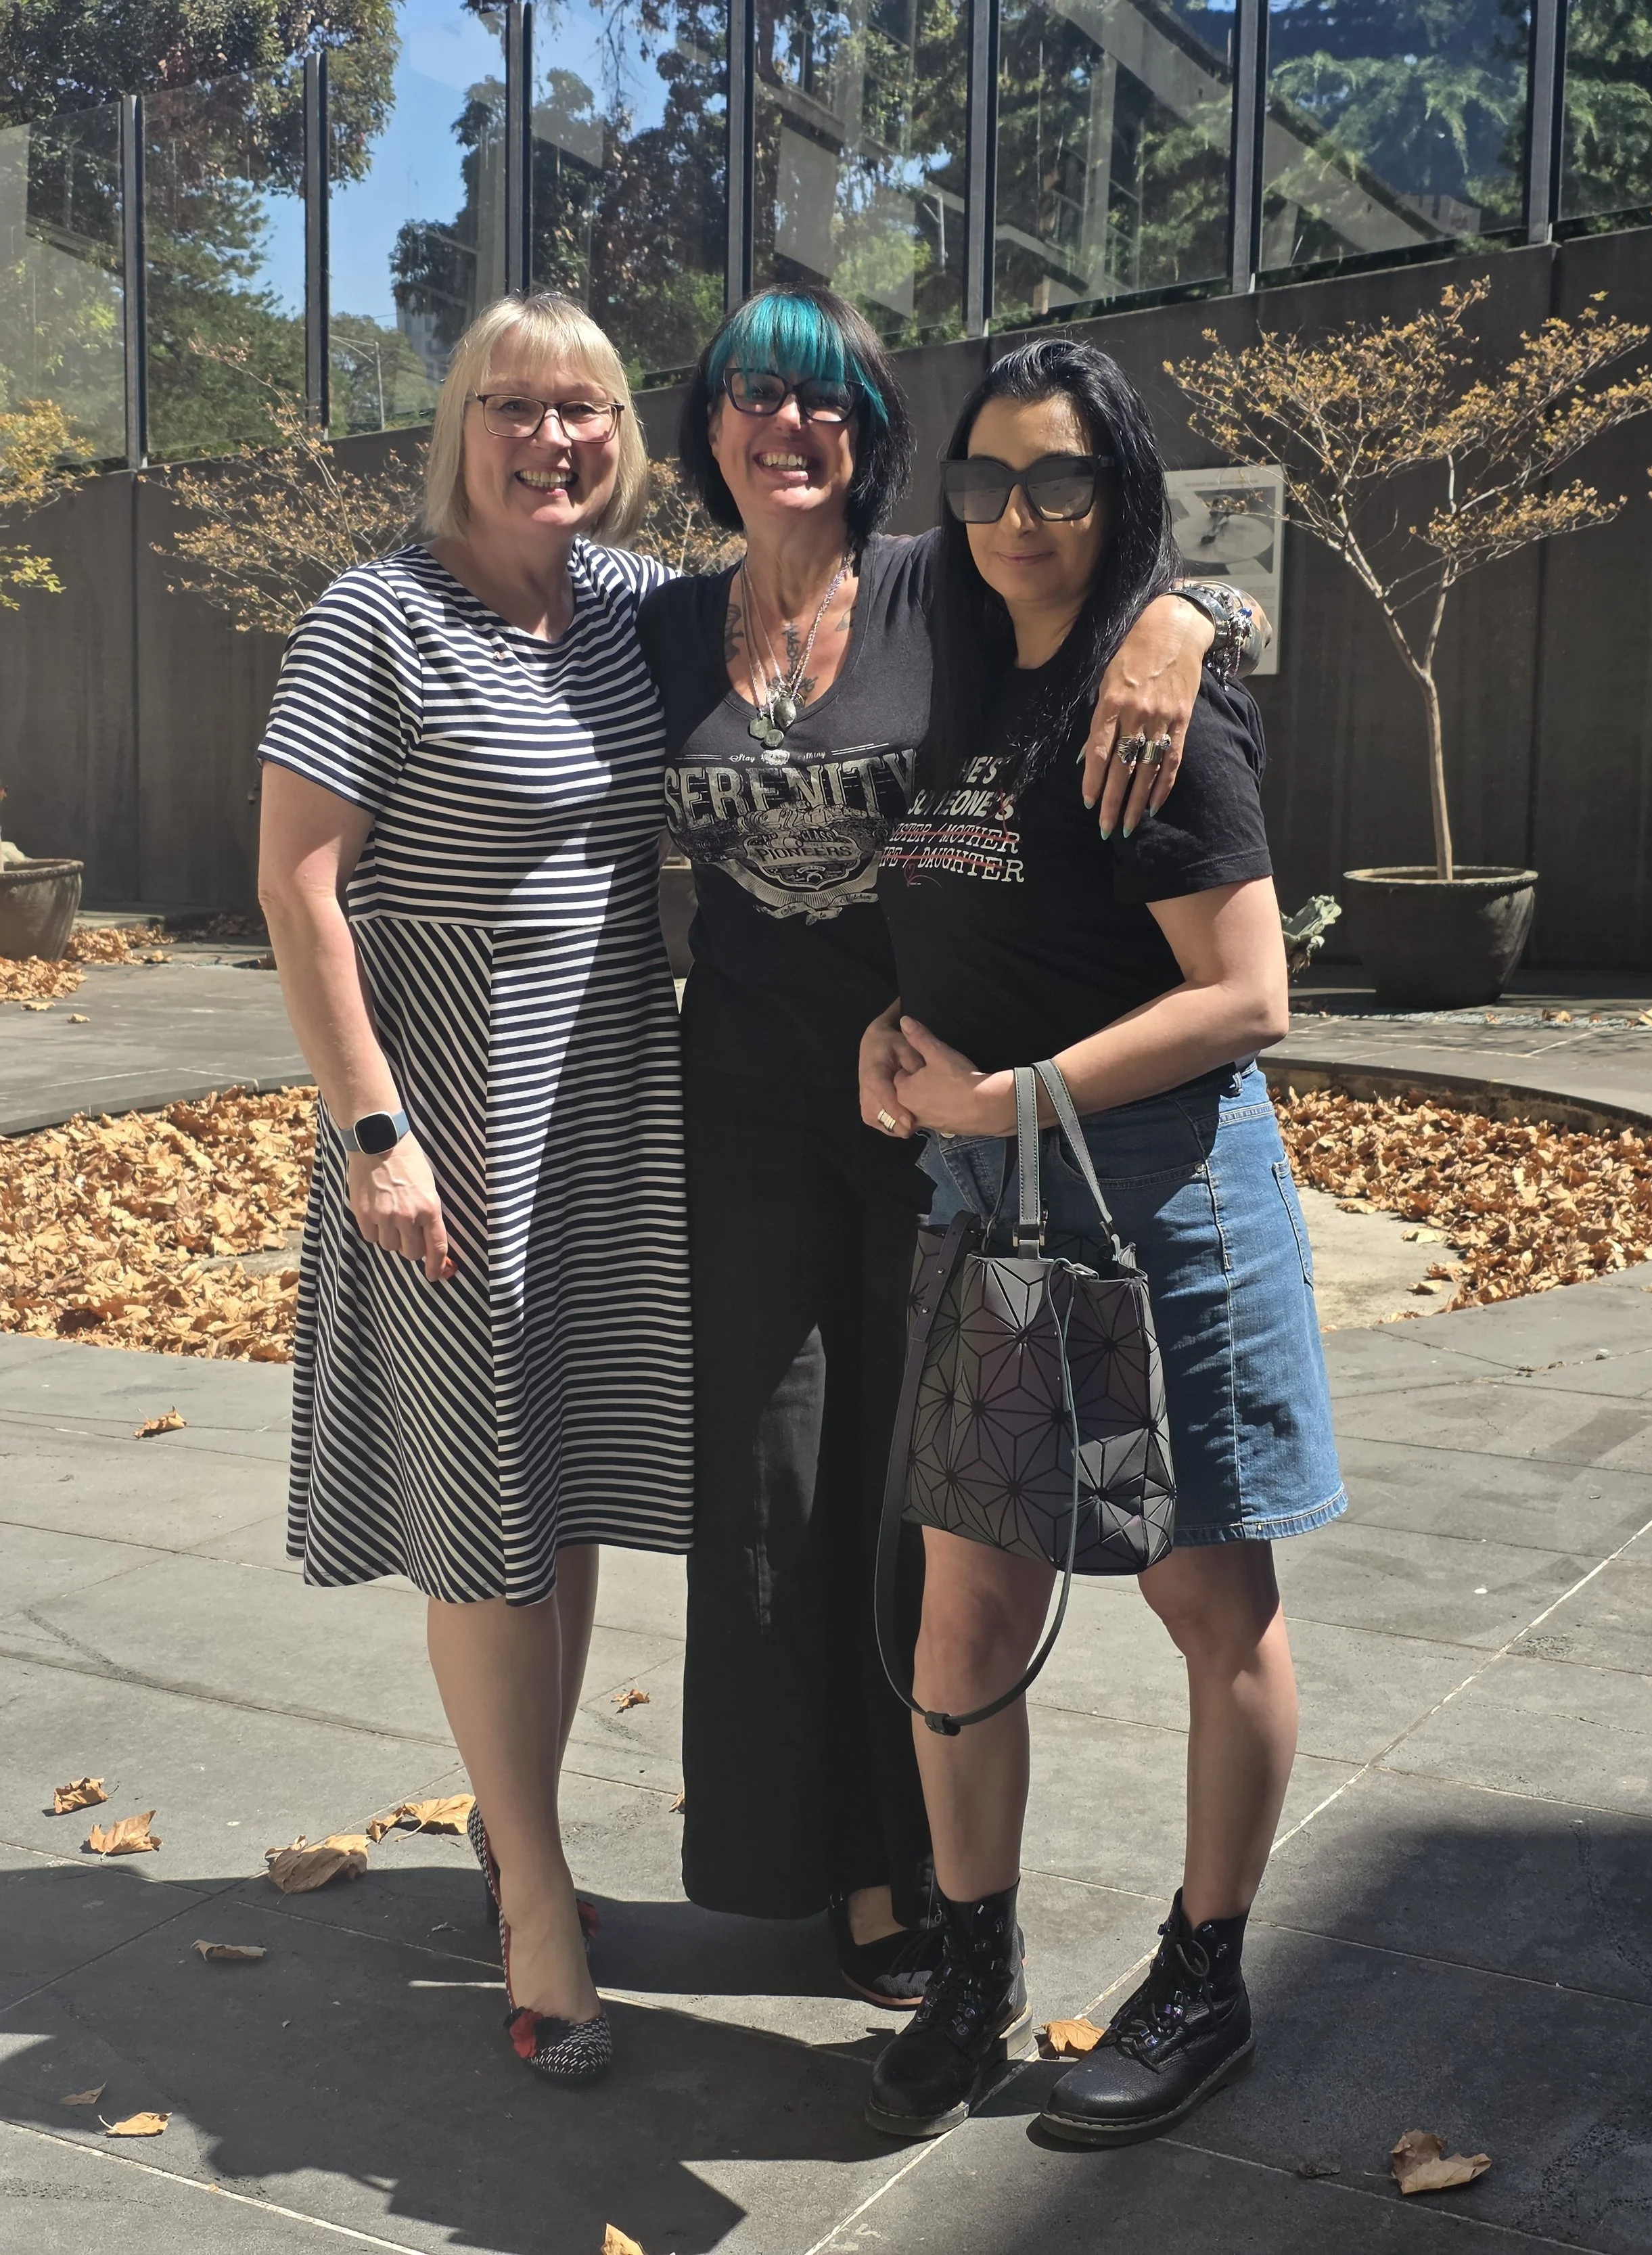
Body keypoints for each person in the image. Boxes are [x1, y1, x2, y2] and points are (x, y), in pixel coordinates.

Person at [637, 286, 1266, 2009]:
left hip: (939, 1095)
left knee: (924, 1494)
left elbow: (1130, 570)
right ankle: (812, 1856)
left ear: (869, 434)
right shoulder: (664, 621)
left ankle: (920, 1882)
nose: (787, 425)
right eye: (751, 394)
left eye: (825, 398)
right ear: (705, 427)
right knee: (773, 1480)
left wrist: (1190, 618)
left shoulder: (940, 575)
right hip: (750, 1104)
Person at [861, 336, 1344, 2141]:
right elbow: (971, 914)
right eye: (985, 478)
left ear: (1115, 487)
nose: (1017, 514)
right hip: (986, 1204)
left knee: (1206, 1599)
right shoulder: (964, 680)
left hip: (1158, 1201)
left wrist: (1017, 1093)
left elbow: (1247, 995)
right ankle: (971, 1962)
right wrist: (897, 1027)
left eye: (1057, 477)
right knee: (967, 1611)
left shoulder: (1160, 704)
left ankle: (1203, 1975)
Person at [256, 293, 689, 2090]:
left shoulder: (636, 607)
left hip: (605, 1100)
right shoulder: (375, 615)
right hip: (445, 1112)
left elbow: (855, 617)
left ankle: (526, 1837)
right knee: (489, 1515)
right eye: (514, 406)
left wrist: (1185, 610)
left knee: (560, 1481)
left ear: (622, 435)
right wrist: (376, 1130)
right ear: (459, 425)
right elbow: (298, 884)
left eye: (584, 409)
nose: (550, 438)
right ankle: (534, 1902)